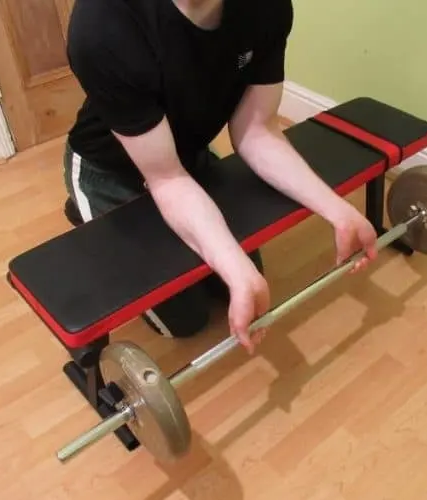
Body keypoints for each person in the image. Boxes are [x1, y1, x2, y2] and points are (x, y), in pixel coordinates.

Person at [63, 0, 378, 353]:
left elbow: (258, 131)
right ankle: (87, 210)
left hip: (186, 157)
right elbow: (167, 178)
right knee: (187, 320)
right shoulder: (102, 26)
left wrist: (337, 210)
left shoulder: (266, 8)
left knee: (239, 282)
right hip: (110, 171)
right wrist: (232, 263)